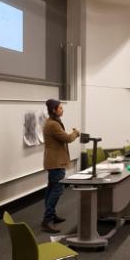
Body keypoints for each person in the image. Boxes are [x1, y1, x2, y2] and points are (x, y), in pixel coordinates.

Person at [42, 99, 80, 233]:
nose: (62, 110)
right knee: (57, 190)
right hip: (55, 162)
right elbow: (67, 138)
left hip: (54, 161)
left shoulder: (52, 122)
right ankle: (47, 220)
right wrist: (76, 132)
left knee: (51, 189)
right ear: (54, 110)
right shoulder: (53, 124)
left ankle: (51, 215)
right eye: (60, 108)